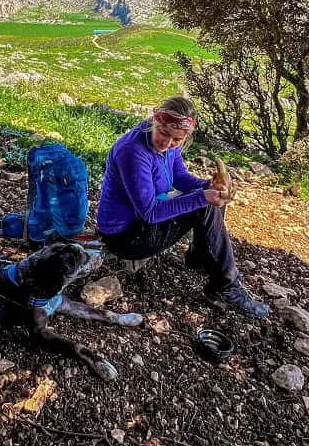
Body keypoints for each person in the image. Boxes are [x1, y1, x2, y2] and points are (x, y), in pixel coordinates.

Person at [95, 95, 270, 318]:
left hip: (141, 222)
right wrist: (203, 197)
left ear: (186, 136)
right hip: (124, 236)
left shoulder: (170, 145)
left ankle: (198, 258)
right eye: (164, 134)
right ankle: (225, 287)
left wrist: (209, 186)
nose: (167, 144)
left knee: (209, 198)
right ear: (154, 122)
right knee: (204, 205)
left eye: (177, 140)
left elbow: (179, 177)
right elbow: (149, 212)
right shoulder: (132, 151)